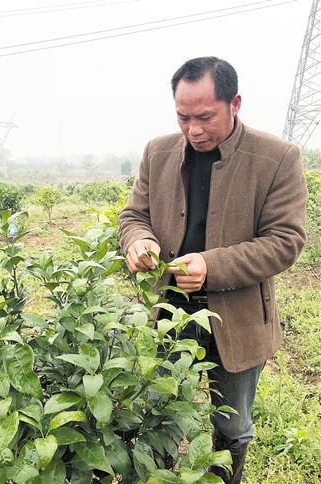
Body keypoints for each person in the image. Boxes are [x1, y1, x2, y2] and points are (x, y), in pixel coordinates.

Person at [118, 56, 308, 483]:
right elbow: (133, 215)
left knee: (232, 424)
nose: (194, 130)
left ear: (235, 103)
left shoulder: (276, 158)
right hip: (168, 312)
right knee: (161, 414)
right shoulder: (158, 151)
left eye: (205, 117)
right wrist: (139, 241)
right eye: (183, 117)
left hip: (237, 317)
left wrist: (211, 265)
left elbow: (285, 240)